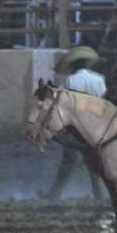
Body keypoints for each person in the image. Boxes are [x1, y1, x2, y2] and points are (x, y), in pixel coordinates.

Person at [39, 46, 107, 202]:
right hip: (97, 124)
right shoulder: (99, 79)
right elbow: (105, 102)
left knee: (68, 162)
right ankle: (100, 194)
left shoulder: (71, 80)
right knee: (95, 161)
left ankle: (54, 194)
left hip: (78, 126)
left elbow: (70, 106)